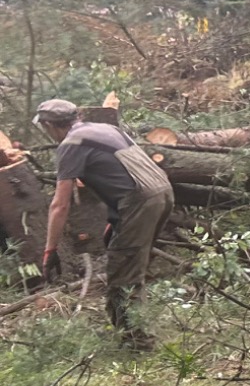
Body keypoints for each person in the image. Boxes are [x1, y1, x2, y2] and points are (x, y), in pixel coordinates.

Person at [33, 99, 174, 344]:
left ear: (48, 125)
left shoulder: (71, 144)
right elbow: (122, 174)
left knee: (123, 276)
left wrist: (50, 250)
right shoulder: (106, 129)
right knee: (131, 265)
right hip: (162, 192)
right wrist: (117, 218)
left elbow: (60, 205)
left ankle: (138, 344)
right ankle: (131, 333)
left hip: (140, 200)